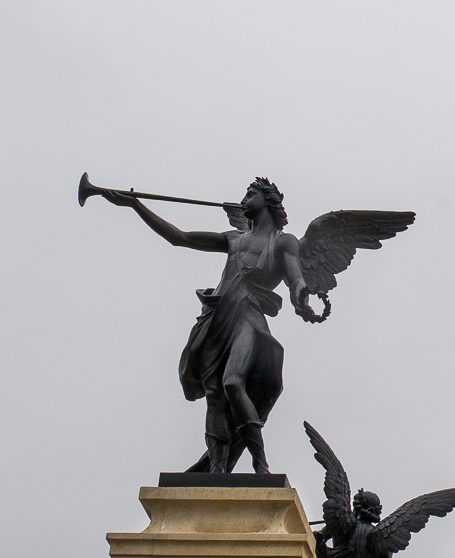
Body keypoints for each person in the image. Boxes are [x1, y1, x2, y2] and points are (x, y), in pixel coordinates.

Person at [100, 178, 312, 472]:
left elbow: (295, 276)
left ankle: (260, 464)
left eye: (250, 194)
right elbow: (180, 237)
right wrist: (136, 205)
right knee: (214, 393)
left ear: (268, 200)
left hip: (247, 316)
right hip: (218, 317)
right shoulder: (234, 240)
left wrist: (301, 292)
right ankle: (216, 468)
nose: (244, 198)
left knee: (233, 382)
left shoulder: (283, 241)